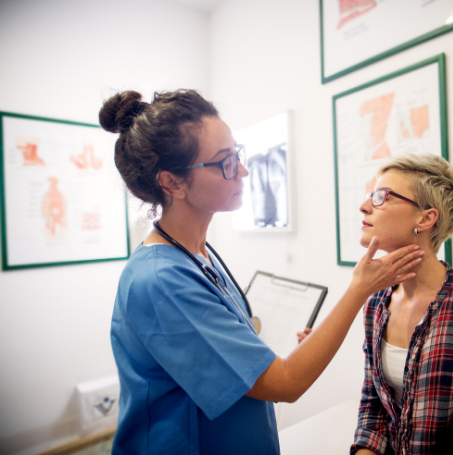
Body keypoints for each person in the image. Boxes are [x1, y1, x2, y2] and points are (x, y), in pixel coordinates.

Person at [99, 89, 424, 455]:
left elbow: (239, 339)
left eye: (237, 154)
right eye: (224, 162)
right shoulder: (160, 281)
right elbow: (285, 384)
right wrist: (360, 289)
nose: (243, 170)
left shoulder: (198, 253)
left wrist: (302, 346)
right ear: (172, 183)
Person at [350, 154, 453, 454]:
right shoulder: (375, 301)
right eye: (370, 195)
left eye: (382, 196)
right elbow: (373, 407)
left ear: (425, 218)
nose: (364, 205)